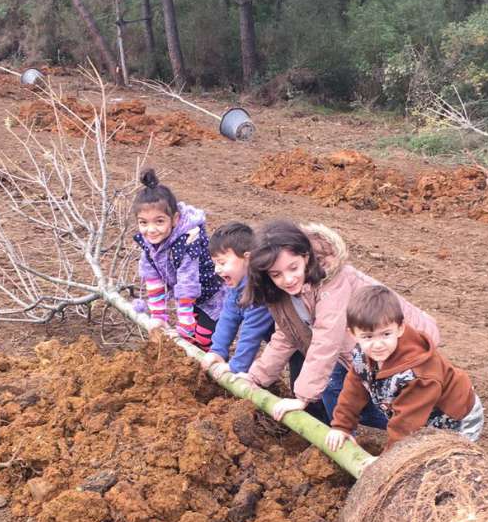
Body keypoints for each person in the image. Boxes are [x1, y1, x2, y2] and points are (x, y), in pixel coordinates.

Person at [236, 220, 440, 426]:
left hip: (398, 342)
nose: (288, 279)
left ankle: (433, 422)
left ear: (305, 256)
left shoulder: (332, 283)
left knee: (388, 407)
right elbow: (284, 337)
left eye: (293, 268)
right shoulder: (284, 294)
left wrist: (302, 398)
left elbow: (327, 339)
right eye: (276, 274)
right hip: (356, 348)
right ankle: (342, 433)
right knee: (335, 392)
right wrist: (256, 377)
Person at [326, 284, 483, 452]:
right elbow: (353, 390)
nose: (378, 345)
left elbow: (405, 428)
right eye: (368, 336)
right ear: (353, 334)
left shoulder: (418, 375)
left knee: (447, 457)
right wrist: (342, 426)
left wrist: (386, 464)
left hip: (454, 417)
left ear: (400, 328)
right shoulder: (362, 354)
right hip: (419, 414)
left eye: (386, 334)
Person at [132, 169, 223, 349]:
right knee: (192, 339)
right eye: (143, 222)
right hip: (191, 299)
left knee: (204, 339)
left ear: (175, 219)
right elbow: (153, 278)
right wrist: (158, 317)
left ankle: (210, 372)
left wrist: (185, 326)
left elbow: (187, 284)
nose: (151, 230)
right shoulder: (150, 243)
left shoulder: (187, 242)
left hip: (212, 295)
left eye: (159, 221)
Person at [199, 222, 274, 375]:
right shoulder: (237, 285)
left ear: (247, 258)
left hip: (300, 342)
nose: (216, 269)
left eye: (222, 262)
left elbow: (251, 332)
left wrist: (236, 367)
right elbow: (228, 317)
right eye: (214, 263)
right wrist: (218, 351)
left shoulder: (260, 289)